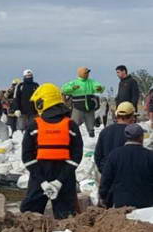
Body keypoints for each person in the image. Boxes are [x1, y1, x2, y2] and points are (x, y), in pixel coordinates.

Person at [20, 83, 83, 219]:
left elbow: (27, 157)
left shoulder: (34, 126)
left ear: (41, 102)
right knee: (66, 218)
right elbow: (76, 155)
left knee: (30, 216)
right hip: (65, 176)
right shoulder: (70, 125)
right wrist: (59, 181)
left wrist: (43, 182)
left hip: (39, 174)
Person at [99, 123, 153, 208]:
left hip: (122, 203)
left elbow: (106, 179)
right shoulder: (150, 156)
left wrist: (103, 196)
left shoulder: (115, 155)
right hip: (146, 203)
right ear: (141, 137)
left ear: (126, 137)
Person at [61, 67, 104, 138]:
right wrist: (72, 88)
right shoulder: (74, 82)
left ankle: (91, 136)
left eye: (88, 73)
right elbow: (63, 90)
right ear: (80, 74)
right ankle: (71, 136)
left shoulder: (91, 82)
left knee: (91, 125)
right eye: (85, 73)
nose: (87, 74)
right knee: (74, 124)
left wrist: (99, 88)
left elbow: (99, 87)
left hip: (90, 107)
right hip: (78, 107)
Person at [94, 102, 136, 174]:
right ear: (131, 117)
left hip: (107, 172)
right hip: (125, 174)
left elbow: (97, 156)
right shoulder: (133, 133)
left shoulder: (105, 131)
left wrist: (104, 170)